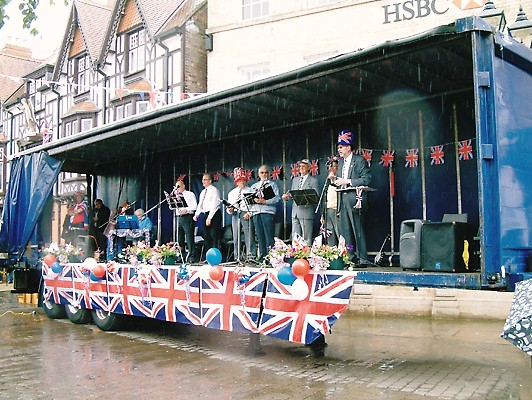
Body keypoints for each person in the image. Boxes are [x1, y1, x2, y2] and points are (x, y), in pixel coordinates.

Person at [333, 129, 371, 266]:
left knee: (357, 229)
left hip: (355, 199)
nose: (339, 150)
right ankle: (349, 257)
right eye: (338, 147)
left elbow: (366, 179)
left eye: (341, 147)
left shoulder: (359, 161)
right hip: (343, 198)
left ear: (349, 147)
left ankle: (362, 258)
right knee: (345, 230)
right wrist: (337, 181)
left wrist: (347, 181)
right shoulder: (341, 163)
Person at [282, 159, 319, 244]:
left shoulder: (313, 181)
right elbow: (292, 193)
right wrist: (287, 196)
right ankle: (296, 254)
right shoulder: (295, 180)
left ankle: (307, 255)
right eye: (300, 166)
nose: (301, 168)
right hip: (295, 212)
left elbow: (316, 197)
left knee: (306, 236)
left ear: (309, 167)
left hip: (306, 211)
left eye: (303, 166)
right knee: (295, 236)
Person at [251, 165, 280, 261]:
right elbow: (249, 200)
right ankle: (262, 256)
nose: (264, 174)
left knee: (269, 235)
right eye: (262, 172)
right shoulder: (254, 186)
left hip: (267, 212)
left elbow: (277, 198)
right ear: (258, 174)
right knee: (259, 236)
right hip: (256, 212)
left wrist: (265, 201)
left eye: (266, 172)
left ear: (269, 173)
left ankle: (271, 256)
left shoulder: (272, 185)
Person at [226, 168, 256, 261]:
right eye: (240, 180)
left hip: (245, 213)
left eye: (243, 180)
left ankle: (251, 256)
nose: (242, 182)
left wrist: (249, 213)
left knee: (249, 235)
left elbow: (254, 205)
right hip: (235, 214)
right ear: (236, 182)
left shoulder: (250, 190)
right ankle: (237, 256)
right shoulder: (232, 193)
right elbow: (229, 206)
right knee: (236, 235)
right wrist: (230, 210)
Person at [193, 173, 222, 256]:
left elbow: (215, 204)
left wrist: (210, 217)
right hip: (205, 214)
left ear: (210, 181)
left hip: (214, 214)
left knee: (214, 236)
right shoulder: (203, 192)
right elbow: (200, 204)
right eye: (202, 179)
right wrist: (196, 214)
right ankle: (208, 255)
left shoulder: (214, 190)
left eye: (205, 179)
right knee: (206, 236)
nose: (203, 181)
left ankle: (215, 256)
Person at [173, 180, 198, 262]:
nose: (177, 188)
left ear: (183, 186)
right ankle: (181, 255)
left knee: (189, 237)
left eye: (179, 186)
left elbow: (194, 206)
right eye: (176, 187)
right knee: (180, 237)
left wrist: (186, 209)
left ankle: (191, 256)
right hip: (179, 217)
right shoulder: (176, 196)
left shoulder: (190, 194)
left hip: (188, 217)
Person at [320, 158, 340, 246]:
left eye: (334, 166)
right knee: (329, 233)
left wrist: (333, 179)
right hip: (328, 210)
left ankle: (345, 253)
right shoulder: (327, 181)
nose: (332, 168)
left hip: (337, 211)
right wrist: (322, 215)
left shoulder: (340, 180)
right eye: (330, 167)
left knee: (340, 233)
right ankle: (332, 253)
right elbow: (324, 199)